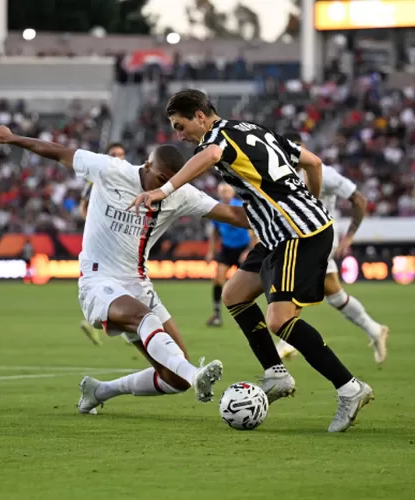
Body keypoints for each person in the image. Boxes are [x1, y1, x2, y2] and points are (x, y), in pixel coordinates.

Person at [128, 89, 373, 432]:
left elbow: (212, 154)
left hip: (296, 234)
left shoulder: (216, 138)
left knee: (279, 321)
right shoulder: (255, 130)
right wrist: (310, 201)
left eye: (180, 126)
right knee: (234, 295)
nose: (178, 135)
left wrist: (163, 190)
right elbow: (313, 162)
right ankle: (277, 376)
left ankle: (349, 388)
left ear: (200, 115)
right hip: (278, 231)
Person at [0, 124, 251, 410]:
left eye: (171, 183)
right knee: (147, 322)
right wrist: (13, 139)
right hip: (98, 280)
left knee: (174, 379)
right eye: (159, 179)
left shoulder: (179, 193)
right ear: (147, 164)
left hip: (139, 284)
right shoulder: (110, 170)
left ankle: (100, 392)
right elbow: (59, 152)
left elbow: (232, 214)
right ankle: (196, 375)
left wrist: (283, 209)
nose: (163, 188)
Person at [274, 131, 388, 364]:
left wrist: (349, 237)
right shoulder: (279, 175)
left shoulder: (324, 173)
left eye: (299, 148)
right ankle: (374, 329)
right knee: (335, 295)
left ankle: (286, 342)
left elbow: (359, 200)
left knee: (294, 284)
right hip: (298, 238)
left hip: (319, 239)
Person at [79, 142, 127, 346]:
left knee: (122, 281)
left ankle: (110, 324)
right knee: (122, 279)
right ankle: (131, 327)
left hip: (123, 236)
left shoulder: (130, 177)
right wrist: (93, 225)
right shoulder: (97, 179)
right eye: (113, 154)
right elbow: (83, 205)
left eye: (120, 154)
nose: (117, 157)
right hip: (106, 240)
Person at [205, 182, 256, 327]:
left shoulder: (241, 207)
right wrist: (211, 251)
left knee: (249, 286)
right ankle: (216, 315)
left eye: (227, 191)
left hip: (243, 249)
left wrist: (248, 251)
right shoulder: (217, 209)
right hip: (227, 249)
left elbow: (255, 230)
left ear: (232, 193)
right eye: (222, 191)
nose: (225, 194)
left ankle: (251, 316)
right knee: (218, 279)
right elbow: (215, 232)